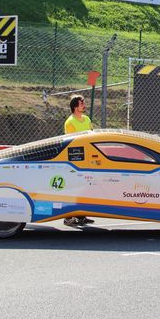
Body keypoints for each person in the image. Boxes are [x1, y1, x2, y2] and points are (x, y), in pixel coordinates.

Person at [63, 95, 94, 227]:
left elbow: (92, 134)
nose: (84, 105)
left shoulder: (86, 119)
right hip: (75, 158)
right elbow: (72, 142)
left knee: (84, 187)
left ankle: (81, 216)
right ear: (75, 106)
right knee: (73, 188)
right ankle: (68, 218)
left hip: (87, 157)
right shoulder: (70, 122)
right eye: (82, 103)